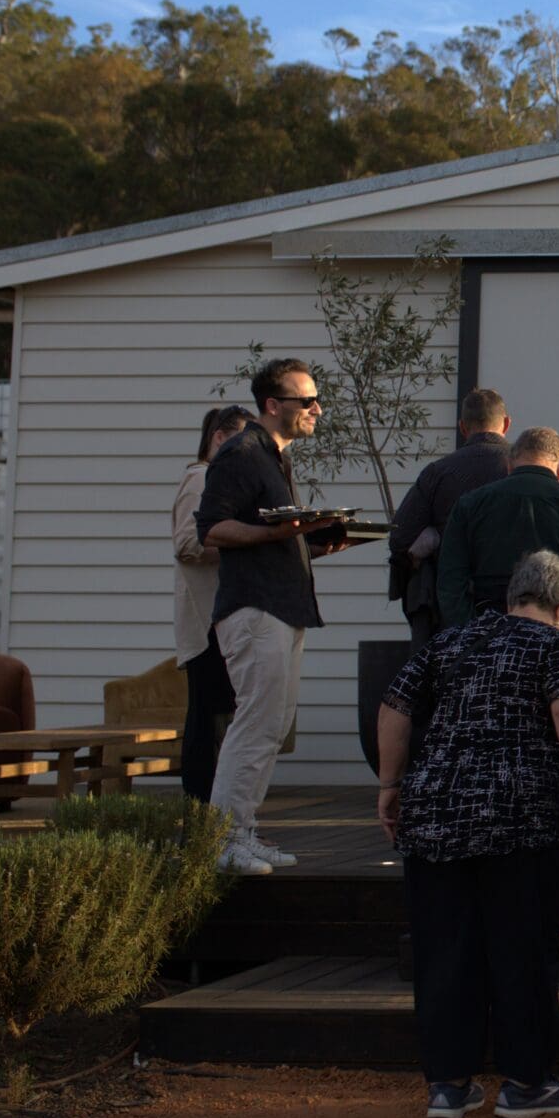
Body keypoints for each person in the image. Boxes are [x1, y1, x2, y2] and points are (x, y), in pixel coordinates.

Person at [374, 549, 559, 1118]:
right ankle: (525, 1082)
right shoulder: (554, 646)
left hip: (436, 815)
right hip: (523, 816)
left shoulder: (451, 641)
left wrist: (390, 784)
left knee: (444, 951)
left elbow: (395, 705)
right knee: (523, 948)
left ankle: (448, 1086)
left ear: (511, 600)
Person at [196, 357, 362, 874]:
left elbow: (270, 531)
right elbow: (212, 529)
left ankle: (243, 831)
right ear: (273, 405)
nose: (317, 408)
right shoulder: (243, 452)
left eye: (316, 398)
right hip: (255, 607)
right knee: (257, 722)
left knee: (272, 724)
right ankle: (224, 841)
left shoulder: (274, 456)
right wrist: (276, 535)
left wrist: (312, 542)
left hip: (282, 607)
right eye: (305, 400)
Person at [437, 427, 559, 654]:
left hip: (487, 634)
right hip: (557, 632)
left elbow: (450, 583)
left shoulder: (469, 506)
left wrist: (472, 639)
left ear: (509, 465)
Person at [170, 404, 254, 803]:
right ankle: (201, 817)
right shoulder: (201, 478)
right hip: (207, 625)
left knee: (223, 721)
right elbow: (187, 543)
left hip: (226, 619)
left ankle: (219, 817)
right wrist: (243, 542)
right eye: (240, 442)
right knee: (208, 722)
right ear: (218, 437)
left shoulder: (219, 482)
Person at [388, 389, 513, 643]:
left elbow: (400, 537)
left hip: (451, 603)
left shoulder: (438, 472)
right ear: (507, 424)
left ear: (462, 427)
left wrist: (434, 537)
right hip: (514, 600)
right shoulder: (520, 472)